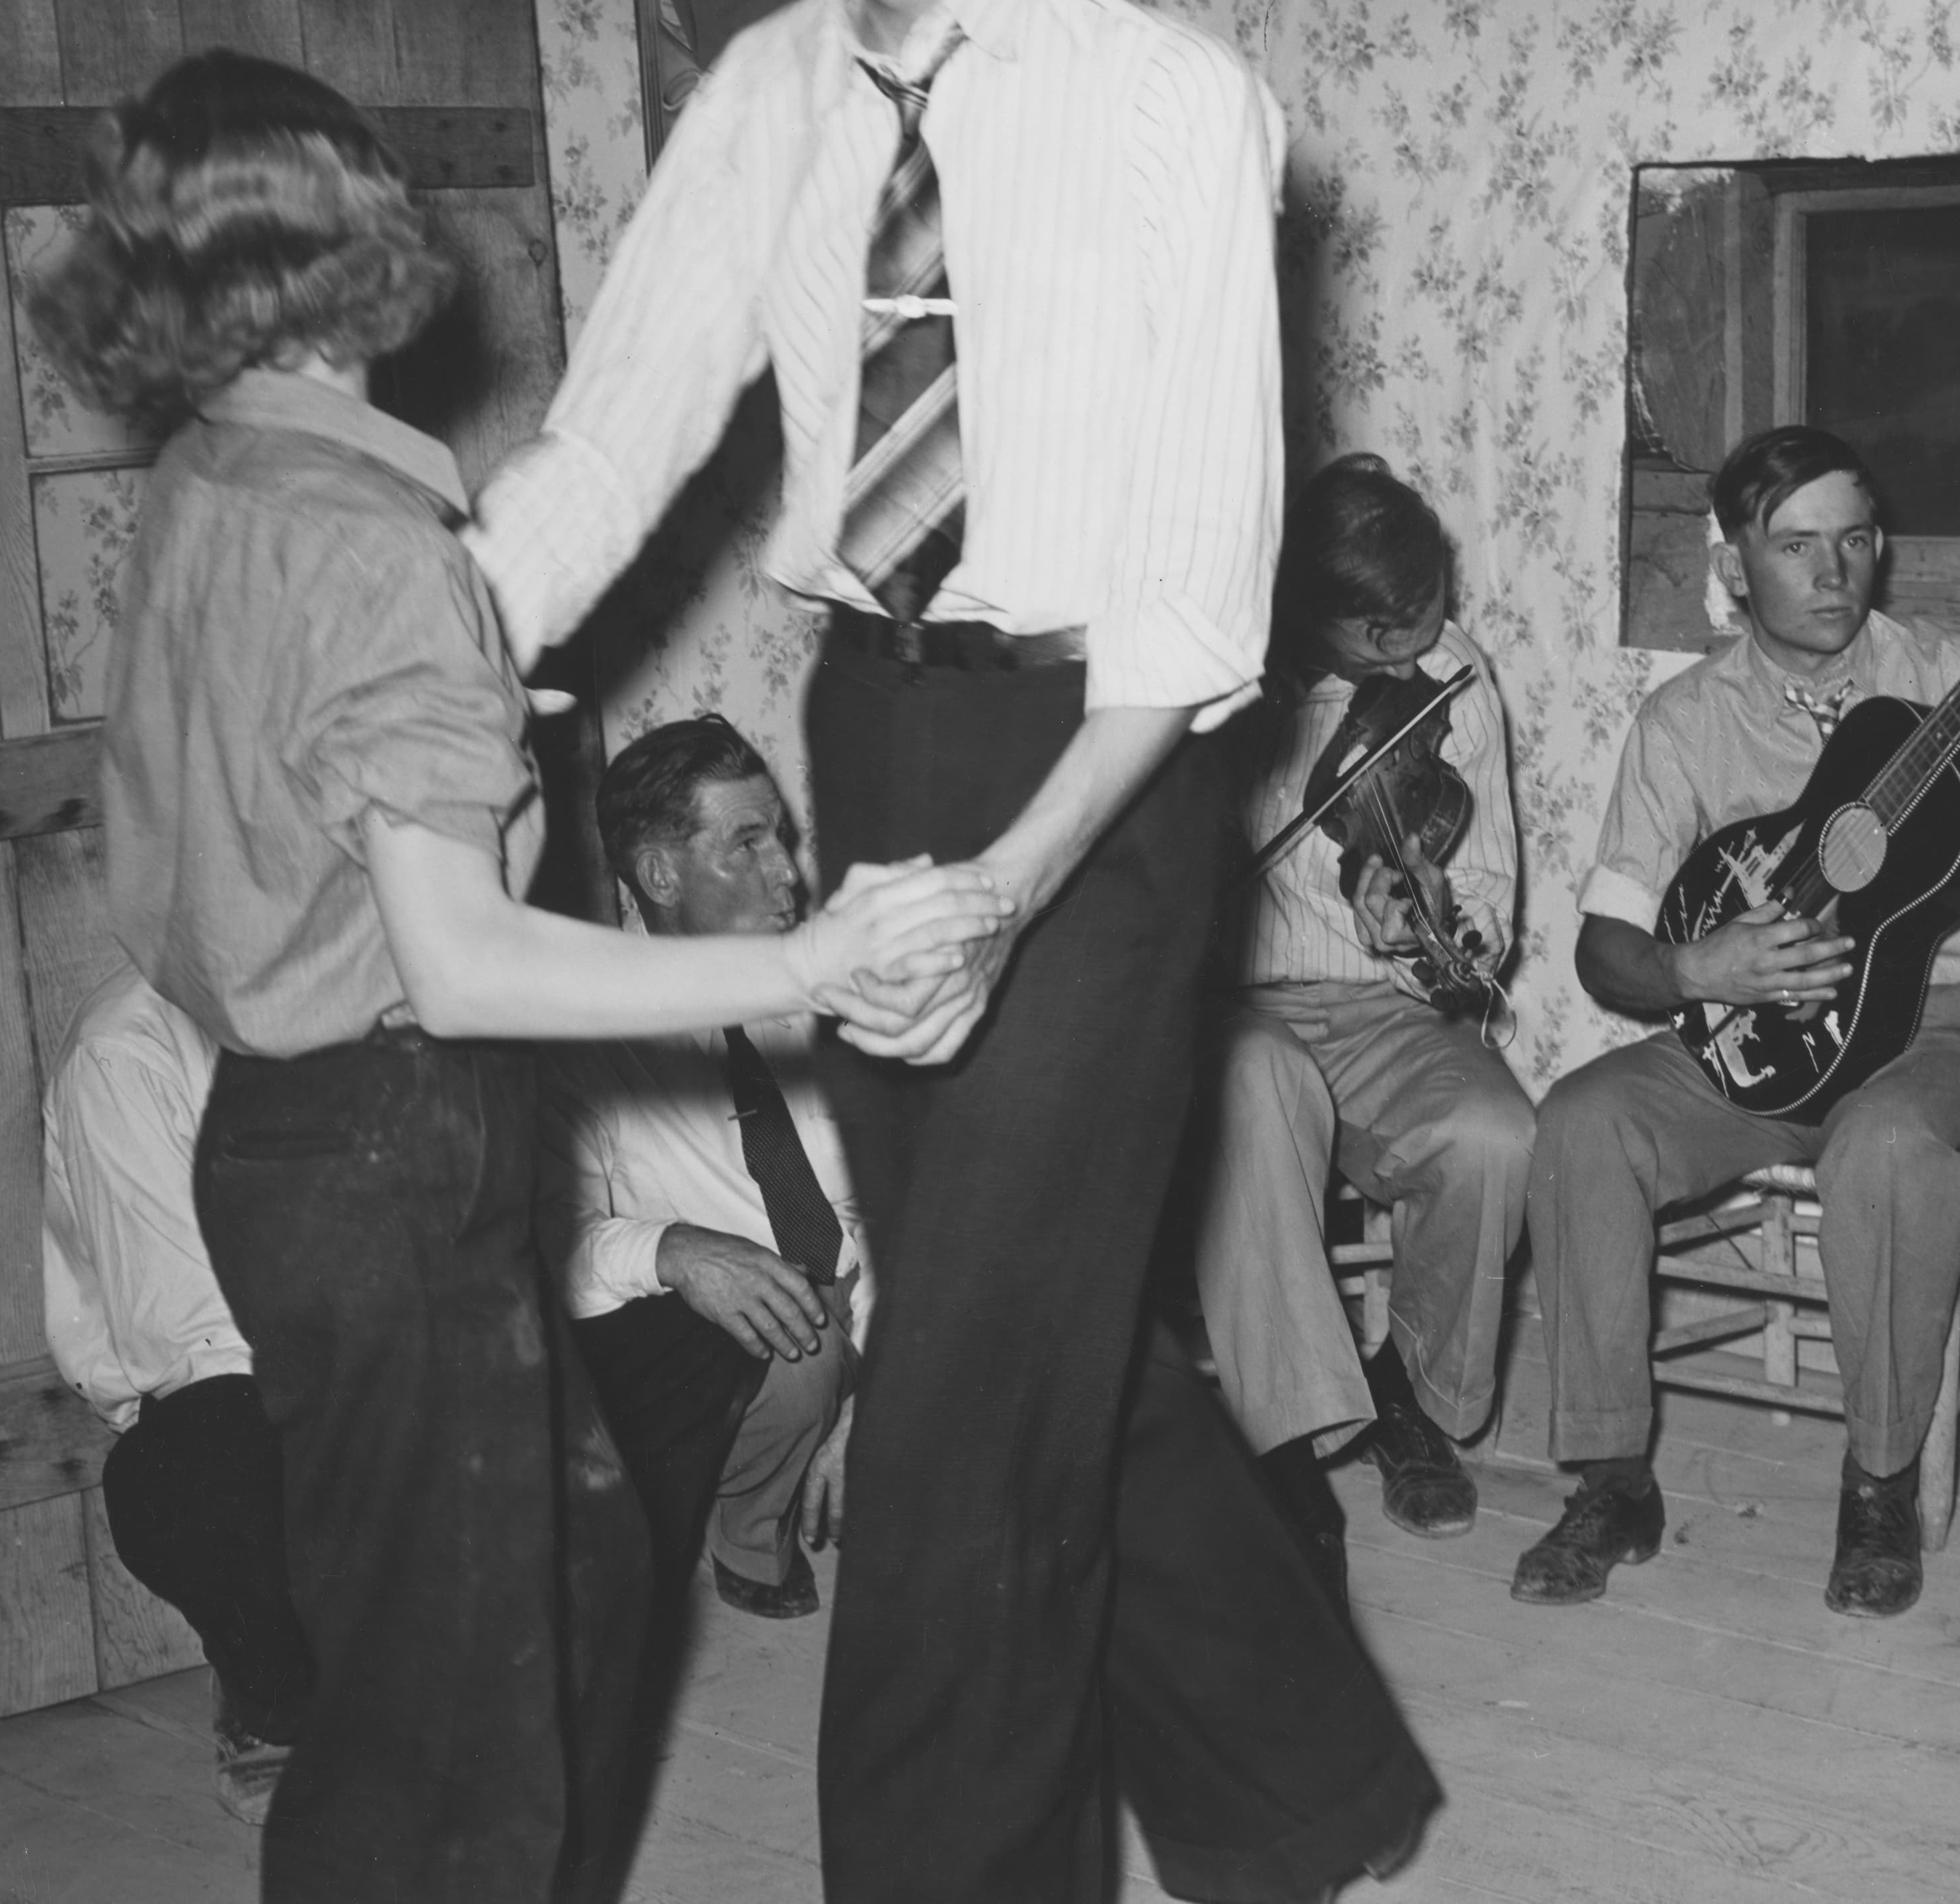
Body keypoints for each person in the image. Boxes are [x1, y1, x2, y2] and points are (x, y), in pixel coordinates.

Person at [467, 2, 1441, 1897]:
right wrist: (413, 663)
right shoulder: (771, 90)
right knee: (1038, 1320)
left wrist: (1011, 882)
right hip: (876, 720)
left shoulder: (1167, 96)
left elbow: (1196, 581)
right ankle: (1299, 1781)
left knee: (957, 1394)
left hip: (1110, 757)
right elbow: (612, 440)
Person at [29, 51, 1006, 1904]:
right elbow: (460, 956)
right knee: (463, 1692)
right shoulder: (374, 539)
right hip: (397, 1137)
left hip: (281, 1137)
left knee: (542, 1588)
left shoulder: (201, 489)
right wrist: (804, 949)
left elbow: (219, 860)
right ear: (363, 244)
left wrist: (473, 761)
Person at [1518, 425, 1960, 1620]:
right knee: (1581, 1123)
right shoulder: (1683, 723)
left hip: (1931, 1039)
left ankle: (1879, 1487)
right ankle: (1613, 1481)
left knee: (1887, 1150)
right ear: (1732, 568)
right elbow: (1605, 949)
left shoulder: (1950, 677)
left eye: (1855, 540)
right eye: (1796, 545)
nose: (1833, 574)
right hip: (1749, 1041)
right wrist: (1698, 964)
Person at [1197, 453, 1531, 1573]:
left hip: (1386, 1008)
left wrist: (1429, 930)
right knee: (1258, 1083)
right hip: (1237, 1005)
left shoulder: (1453, 678)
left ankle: (1412, 1395)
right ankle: (1290, 1444)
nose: (1422, 648)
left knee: (1494, 1133)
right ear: (1318, 623)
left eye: (1432, 613)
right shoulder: (1221, 682)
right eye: (1388, 637)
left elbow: (1484, 933)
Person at [540, 715, 869, 1632]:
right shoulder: (585, 1029)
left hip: (854, 1295)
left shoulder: (822, 991)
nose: (788, 875)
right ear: (659, 875)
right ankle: (747, 1525)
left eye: (782, 840)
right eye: (748, 845)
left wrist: (894, 1368)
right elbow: (539, 1241)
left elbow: (894, 1208)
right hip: (730, 1339)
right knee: (799, 1356)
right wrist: (674, 1249)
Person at [41, 956, 312, 1827]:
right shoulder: (127, 1048)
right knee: (201, 1471)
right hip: (224, 1386)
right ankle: (270, 1695)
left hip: (364, 1350)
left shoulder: (374, 981)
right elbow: (196, 1337)